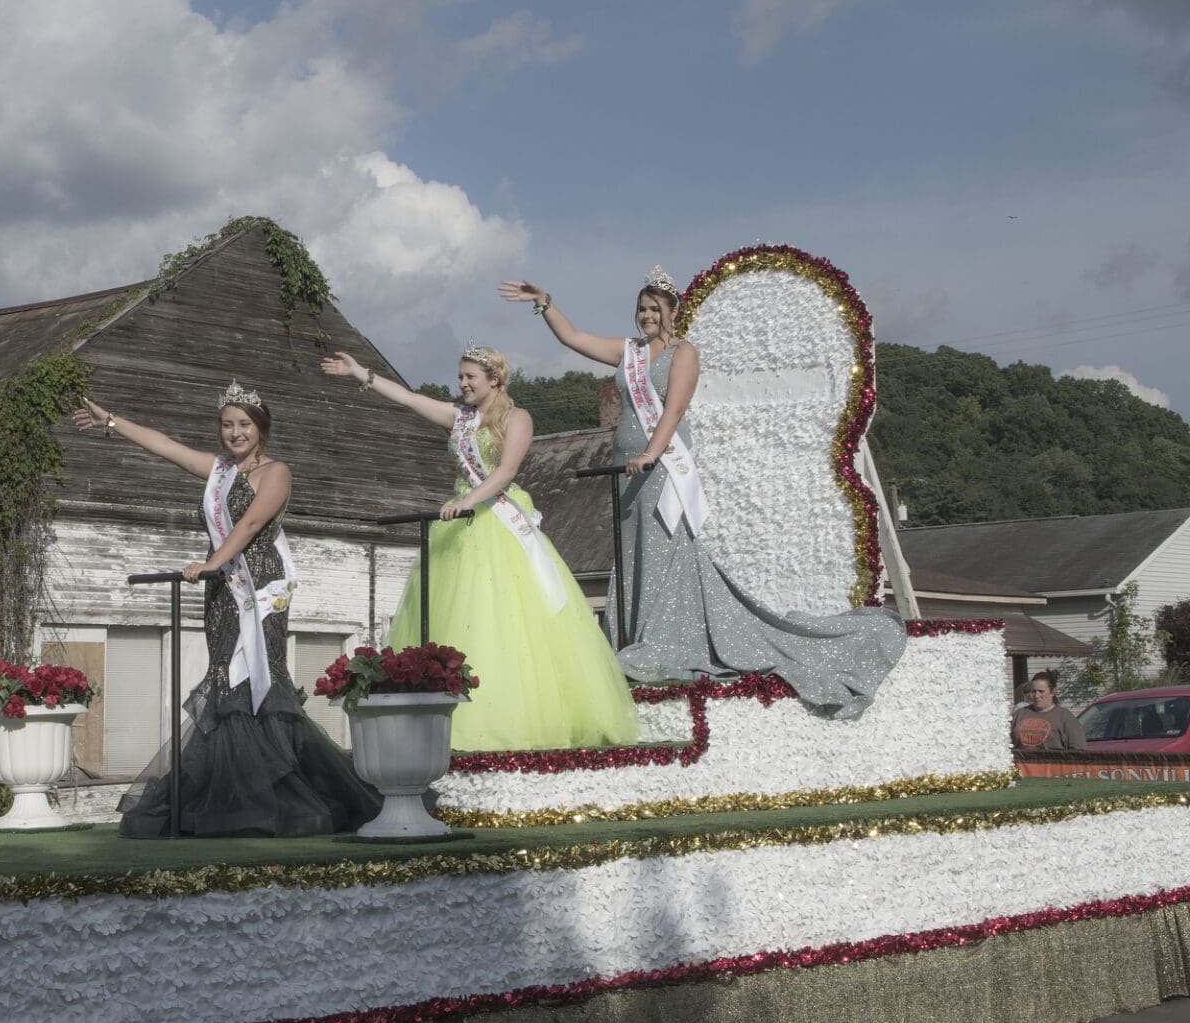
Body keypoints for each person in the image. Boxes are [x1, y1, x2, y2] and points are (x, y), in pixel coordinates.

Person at [499, 268, 906, 716]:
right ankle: (633, 639)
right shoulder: (629, 352)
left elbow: (672, 411)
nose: (647, 316)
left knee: (663, 552)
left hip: (661, 469)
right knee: (632, 553)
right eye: (642, 308)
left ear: (673, 312)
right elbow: (574, 338)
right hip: (626, 474)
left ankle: (662, 643)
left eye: (656, 308)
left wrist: (652, 454)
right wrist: (545, 303)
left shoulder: (683, 353)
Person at [72, 381, 381, 838]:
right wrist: (113, 422)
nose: (235, 432)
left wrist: (213, 563)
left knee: (256, 678)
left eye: (244, 425)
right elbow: (167, 447)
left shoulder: (277, 471)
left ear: (261, 428)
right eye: (227, 425)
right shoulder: (219, 470)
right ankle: (231, 799)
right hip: (220, 588)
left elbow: (254, 521)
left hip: (257, 587)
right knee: (223, 678)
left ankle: (279, 798)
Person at [319, 344, 639, 752]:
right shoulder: (461, 419)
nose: (463, 384)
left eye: (470, 377)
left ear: (495, 379)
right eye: (460, 377)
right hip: (460, 528)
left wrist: (468, 501)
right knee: (460, 614)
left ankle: (512, 722)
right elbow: (411, 399)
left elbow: (505, 471)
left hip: (497, 523)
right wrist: (361, 372)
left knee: (506, 619)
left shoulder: (518, 418)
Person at [1013, 671, 1086, 752]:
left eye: (1041, 691)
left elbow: (1079, 751)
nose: (1036, 696)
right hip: (1021, 763)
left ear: (1053, 692)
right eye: (1033, 691)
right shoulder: (1019, 715)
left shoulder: (1065, 717)